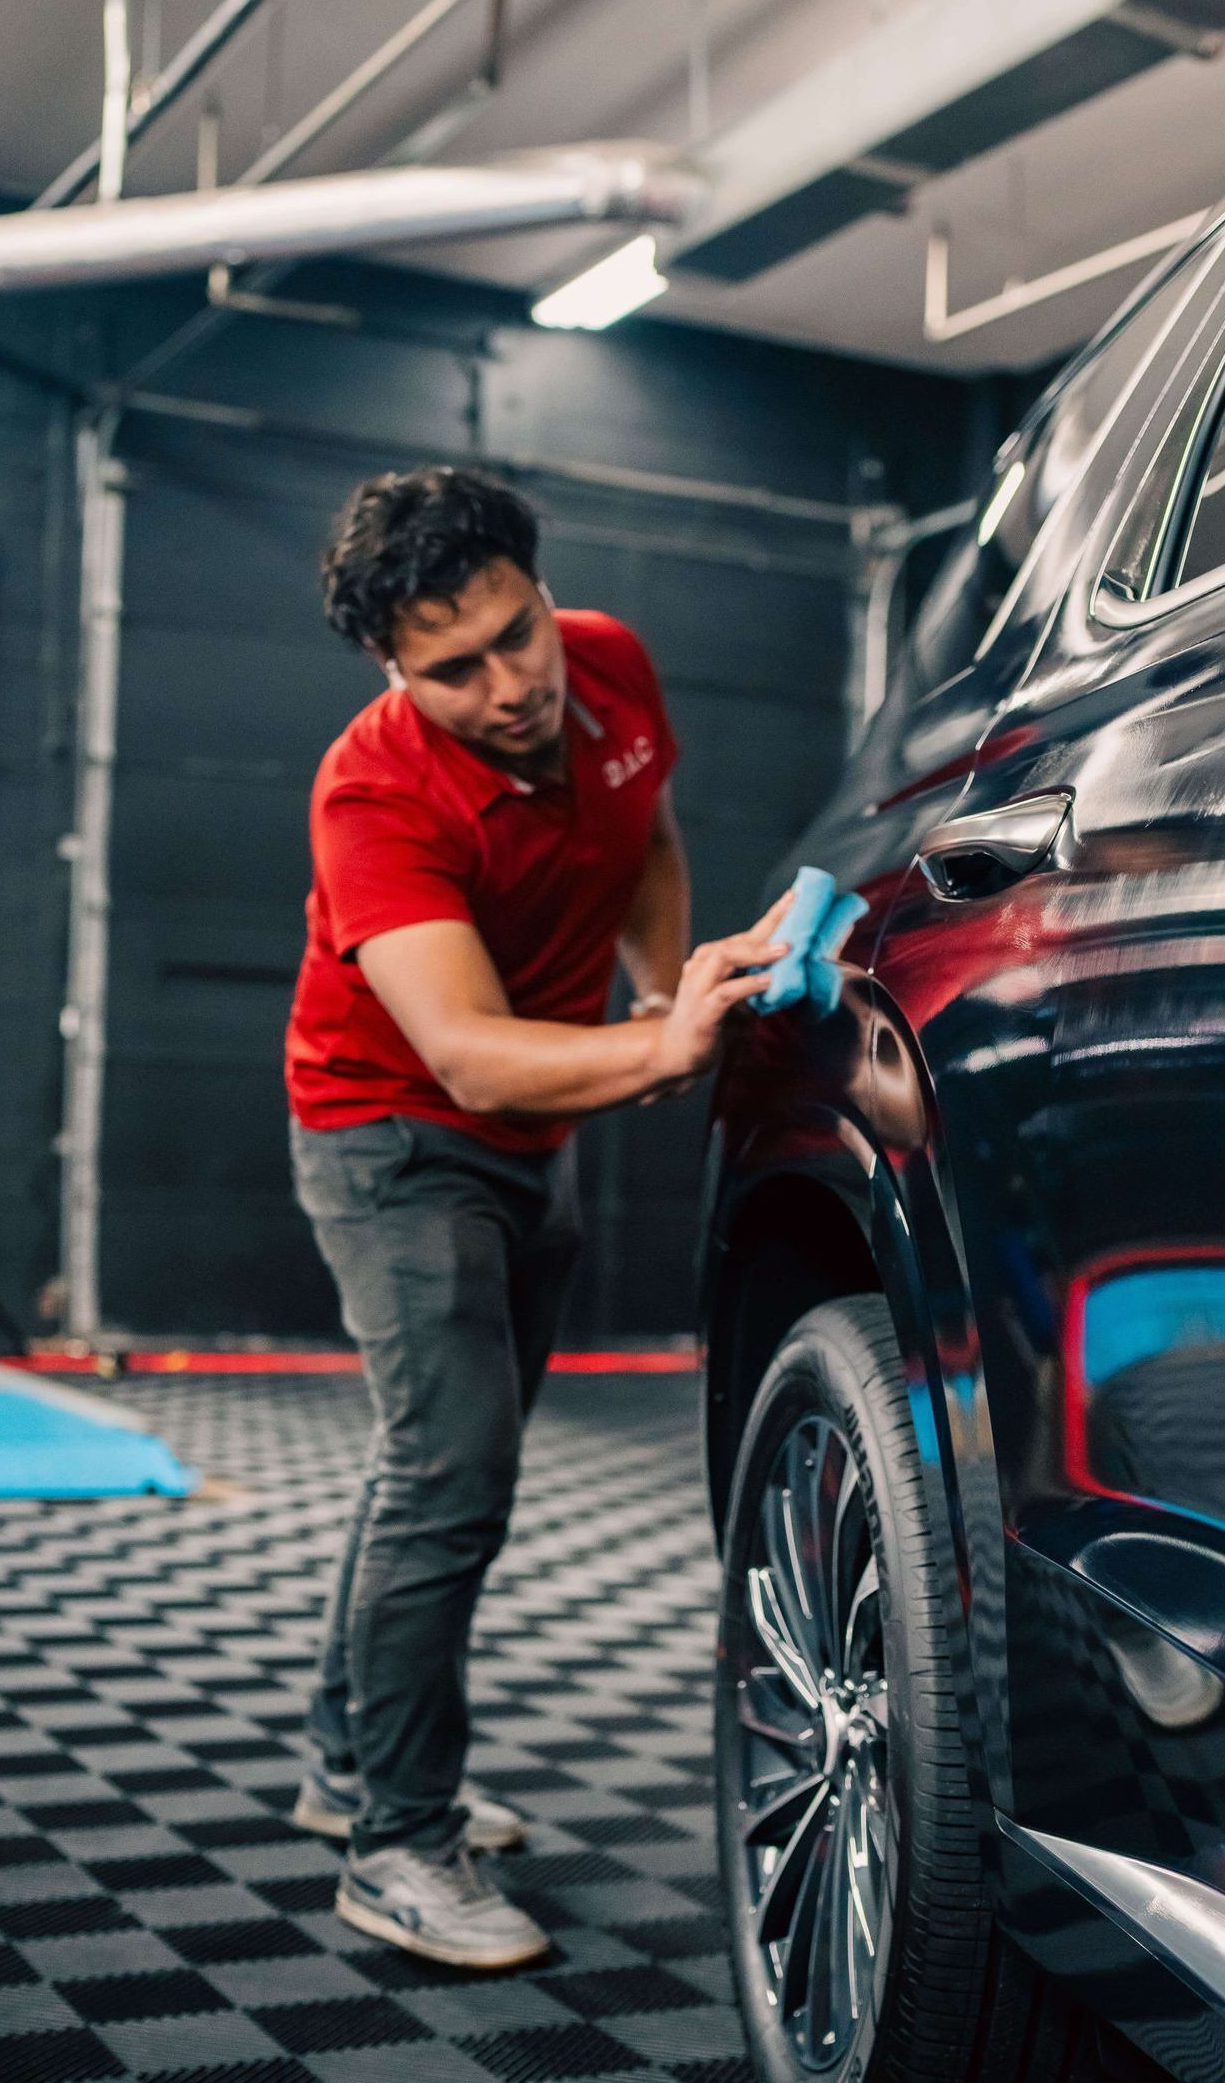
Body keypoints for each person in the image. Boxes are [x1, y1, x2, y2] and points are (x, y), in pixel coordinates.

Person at [282, 467, 789, 1970]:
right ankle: (396, 1846)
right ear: (392, 669)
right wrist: (668, 1047)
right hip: (395, 1137)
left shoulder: (609, 660)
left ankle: (342, 1765)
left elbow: (648, 833)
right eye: (456, 669)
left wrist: (656, 985)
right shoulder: (373, 791)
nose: (509, 686)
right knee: (453, 1481)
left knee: (435, 1468)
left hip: (532, 1133)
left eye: (519, 634)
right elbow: (466, 1048)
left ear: (539, 589)